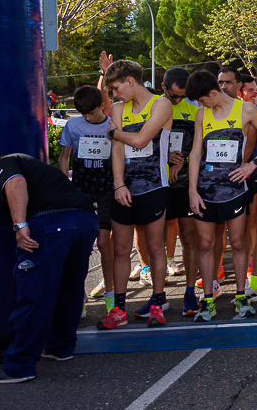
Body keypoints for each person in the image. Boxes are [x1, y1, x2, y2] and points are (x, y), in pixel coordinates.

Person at [0, 154, 99, 383]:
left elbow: (16, 182)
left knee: (34, 293)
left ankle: (19, 366)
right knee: (70, 288)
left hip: (51, 225)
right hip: (85, 220)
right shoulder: (38, 168)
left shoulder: (3, 163)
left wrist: (19, 225)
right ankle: (60, 346)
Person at [186, 70, 257, 321]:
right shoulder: (202, 114)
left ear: (213, 93)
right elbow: (195, 153)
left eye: (202, 100)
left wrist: (253, 164)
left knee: (239, 243)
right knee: (206, 244)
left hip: (234, 189)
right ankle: (208, 299)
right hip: (205, 190)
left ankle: (241, 295)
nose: (200, 105)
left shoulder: (246, 110)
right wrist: (192, 190)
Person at [97, 59, 173, 331]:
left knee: (155, 248)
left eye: (116, 89)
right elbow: (117, 149)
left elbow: (141, 140)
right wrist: (119, 185)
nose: (115, 95)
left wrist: (115, 133)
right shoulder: (119, 109)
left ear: (130, 82)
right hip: (124, 189)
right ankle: (119, 309)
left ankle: (157, 303)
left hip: (154, 187)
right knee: (120, 249)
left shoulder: (161, 104)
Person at [58, 86, 115, 316]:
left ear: (101, 106)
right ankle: (79, 295)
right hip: (81, 191)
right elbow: (64, 156)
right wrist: (65, 186)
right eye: (84, 114)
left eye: (91, 112)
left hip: (106, 190)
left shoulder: (112, 124)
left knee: (104, 243)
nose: (88, 117)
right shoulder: (73, 126)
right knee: (81, 246)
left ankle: (110, 293)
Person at [160, 67, 202, 317]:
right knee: (157, 240)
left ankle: (189, 291)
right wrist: (165, 157)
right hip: (158, 183)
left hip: (185, 184)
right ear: (163, 87)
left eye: (183, 96)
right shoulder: (154, 107)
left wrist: (182, 161)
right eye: (174, 96)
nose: (178, 100)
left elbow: (201, 147)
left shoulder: (194, 110)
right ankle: (157, 295)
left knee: (189, 237)